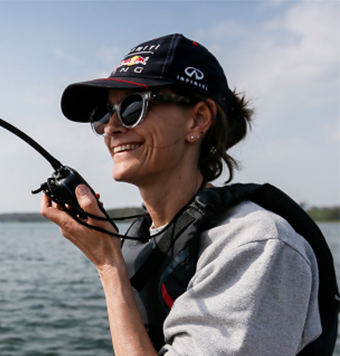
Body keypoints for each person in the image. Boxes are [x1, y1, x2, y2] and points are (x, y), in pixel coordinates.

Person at [40, 34, 338, 355]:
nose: (111, 127)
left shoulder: (255, 246)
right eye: (102, 113)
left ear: (198, 119)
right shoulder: (140, 241)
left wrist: (109, 267)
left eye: (132, 107)